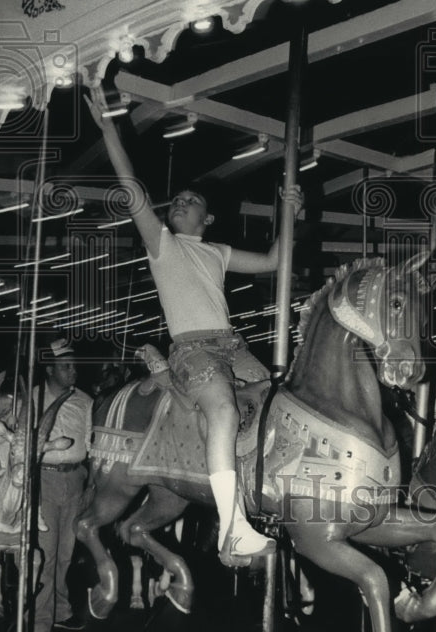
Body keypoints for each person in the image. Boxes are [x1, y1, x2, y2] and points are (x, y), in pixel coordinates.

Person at [86, 87, 303, 565]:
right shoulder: (162, 244)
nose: (179, 203)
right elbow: (134, 190)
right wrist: (109, 131)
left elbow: (273, 260)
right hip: (192, 350)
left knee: (280, 402)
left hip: (231, 345)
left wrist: (290, 210)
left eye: (190, 201)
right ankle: (232, 527)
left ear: (208, 218)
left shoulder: (217, 252)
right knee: (223, 411)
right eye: (177, 200)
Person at [32, 339, 93, 632]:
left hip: (76, 479)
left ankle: (61, 610)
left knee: (66, 554)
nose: (73, 371)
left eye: (74, 366)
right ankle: (40, 621)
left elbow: (92, 445)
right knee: (45, 554)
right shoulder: (33, 398)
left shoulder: (84, 401)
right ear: (50, 368)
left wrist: (90, 484)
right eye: (66, 366)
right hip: (43, 479)